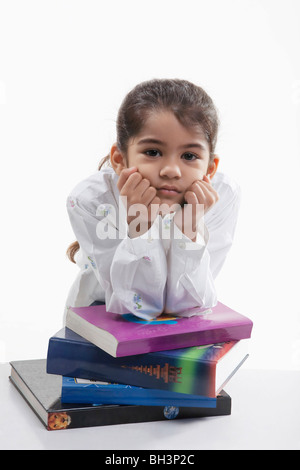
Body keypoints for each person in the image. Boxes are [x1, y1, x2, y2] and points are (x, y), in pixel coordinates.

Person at [65, 78, 241, 320]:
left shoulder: (223, 196)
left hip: (177, 332)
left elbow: (190, 305)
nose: (171, 170)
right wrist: (140, 227)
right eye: (152, 152)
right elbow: (138, 308)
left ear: (210, 168)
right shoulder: (91, 200)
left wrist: (189, 230)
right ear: (119, 159)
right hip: (101, 320)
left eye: (189, 155)